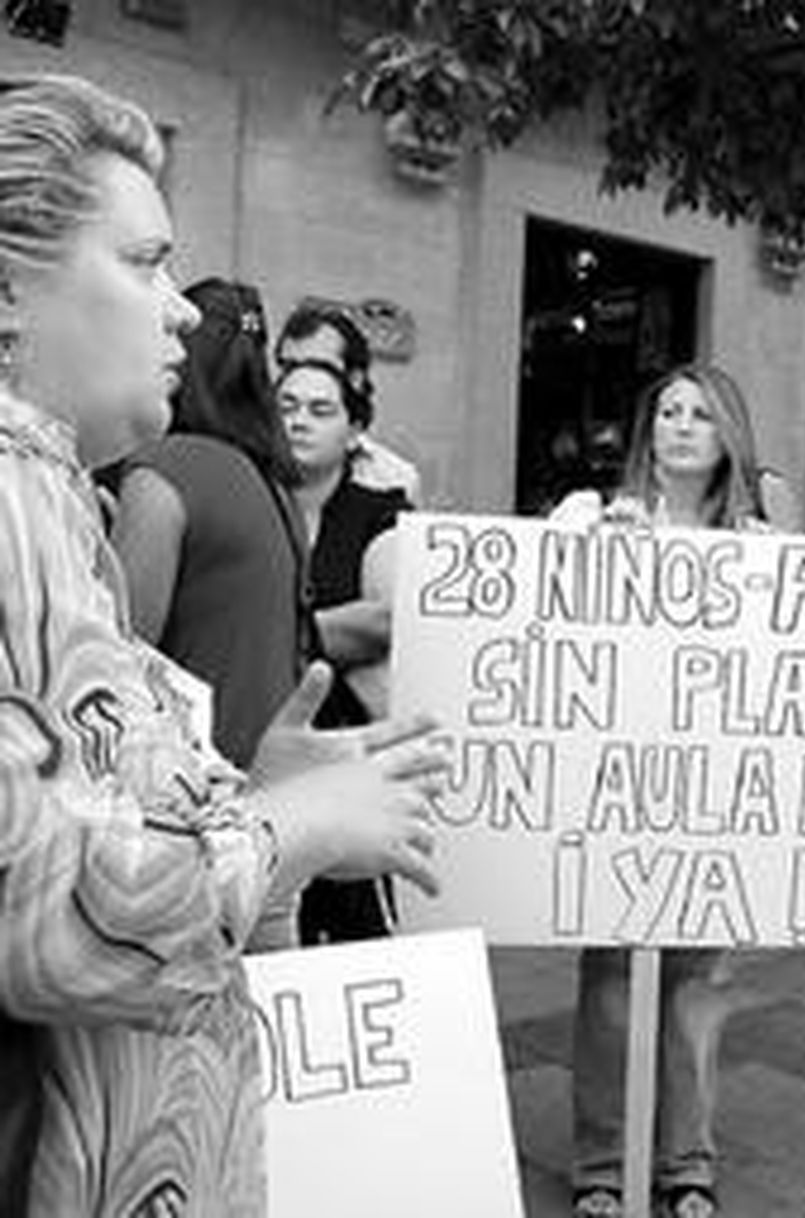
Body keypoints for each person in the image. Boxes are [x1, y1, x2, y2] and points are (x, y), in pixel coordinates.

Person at [0, 75, 443, 1216]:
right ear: (6, 291)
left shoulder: (60, 498)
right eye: (143, 263)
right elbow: (40, 911)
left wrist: (255, 793)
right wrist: (288, 826)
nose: (184, 311)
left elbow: (85, 801)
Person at [555, 363, 769, 1218]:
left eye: (701, 415)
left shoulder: (761, 547)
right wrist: (593, 554)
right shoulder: (589, 516)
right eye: (669, 412)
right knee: (611, 976)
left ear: (729, 437)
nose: (681, 426)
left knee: (699, 982)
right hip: (618, 787)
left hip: (712, 790)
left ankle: (686, 1164)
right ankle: (603, 1166)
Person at [112, 277, 310, 773]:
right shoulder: (278, 487)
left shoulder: (168, 469)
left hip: (192, 781)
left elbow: (117, 655)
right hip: (271, 773)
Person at [278, 353, 411, 943]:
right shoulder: (253, 501)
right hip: (265, 758)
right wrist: (334, 631)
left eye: (320, 409)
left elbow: (384, 621)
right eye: (287, 406)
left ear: (354, 430)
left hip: (355, 760)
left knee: (361, 937)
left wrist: (279, 633)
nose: (299, 420)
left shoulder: (381, 514)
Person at [275, 301, 423, 501]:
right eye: (289, 367)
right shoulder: (249, 466)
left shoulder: (395, 479)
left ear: (355, 380)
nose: (301, 376)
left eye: (320, 367)